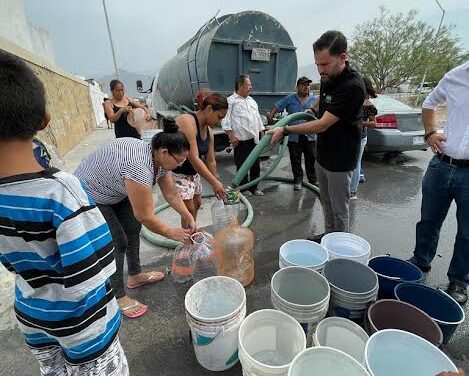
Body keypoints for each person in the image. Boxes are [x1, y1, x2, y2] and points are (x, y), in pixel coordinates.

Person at [0, 50, 128, 375]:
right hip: (82, 327)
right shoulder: (61, 191)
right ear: (44, 118)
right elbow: (94, 273)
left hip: (32, 316)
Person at [75, 128, 196, 318]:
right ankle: (117, 295)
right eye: (179, 160)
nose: (181, 165)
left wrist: (187, 214)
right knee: (117, 241)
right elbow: (145, 216)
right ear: (164, 152)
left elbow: (171, 193)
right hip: (90, 194)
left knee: (132, 227)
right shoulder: (139, 168)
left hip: (114, 187)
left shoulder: (160, 159)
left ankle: (135, 275)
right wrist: (171, 232)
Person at [268, 30, 365, 241]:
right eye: (317, 65)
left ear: (342, 57)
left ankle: (340, 251)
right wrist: (311, 109)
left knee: (340, 210)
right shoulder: (329, 77)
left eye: (324, 64)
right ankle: (329, 237)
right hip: (323, 155)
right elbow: (322, 102)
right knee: (326, 203)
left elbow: (322, 125)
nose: (320, 70)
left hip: (340, 160)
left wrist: (285, 129)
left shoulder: (353, 86)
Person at [408, 61, 469, 305]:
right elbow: (429, 104)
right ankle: (420, 260)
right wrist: (431, 133)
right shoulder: (455, 76)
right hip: (441, 164)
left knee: (467, 231)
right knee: (429, 220)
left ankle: (459, 280)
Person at [174, 91, 227, 227]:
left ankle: (192, 234)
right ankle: (188, 242)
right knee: (188, 210)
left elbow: (211, 160)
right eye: (219, 117)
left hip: (193, 173)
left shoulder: (209, 131)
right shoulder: (188, 121)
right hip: (177, 172)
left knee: (197, 204)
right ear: (209, 109)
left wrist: (216, 182)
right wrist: (214, 183)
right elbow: (194, 158)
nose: (220, 121)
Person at [267, 76, 318, 190]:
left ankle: (313, 180)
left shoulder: (315, 100)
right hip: (294, 135)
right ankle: (298, 180)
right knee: (295, 159)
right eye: (304, 85)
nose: (306, 87)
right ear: (298, 87)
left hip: (310, 135)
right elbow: (277, 106)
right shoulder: (290, 99)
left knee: (311, 158)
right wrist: (271, 115)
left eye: (308, 85)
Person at [222, 74, 265, 196]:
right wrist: (231, 136)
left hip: (254, 140)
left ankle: (254, 188)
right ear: (240, 86)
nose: (251, 87)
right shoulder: (231, 101)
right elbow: (225, 120)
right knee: (242, 165)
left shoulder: (252, 101)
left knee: (255, 165)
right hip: (240, 141)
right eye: (248, 85)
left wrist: (262, 135)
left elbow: (258, 119)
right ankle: (244, 189)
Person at [350, 77, 377, 199]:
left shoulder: (369, 105)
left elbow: (373, 123)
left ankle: (353, 191)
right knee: (350, 162)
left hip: (360, 137)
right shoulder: (353, 101)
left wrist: (360, 123)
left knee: (356, 164)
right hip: (349, 136)